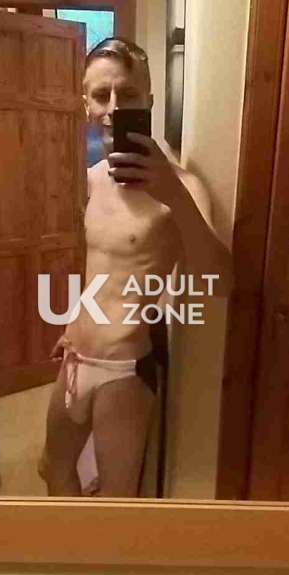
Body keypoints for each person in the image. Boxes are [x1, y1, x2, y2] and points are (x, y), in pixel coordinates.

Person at [39, 37, 233, 497]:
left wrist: (174, 197)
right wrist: (72, 323)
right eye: (100, 95)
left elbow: (220, 283)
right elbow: (101, 268)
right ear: (85, 104)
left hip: (124, 371)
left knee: (117, 500)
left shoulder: (182, 185)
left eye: (126, 94)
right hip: (74, 358)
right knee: (50, 467)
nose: (112, 108)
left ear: (148, 100)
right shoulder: (91, 179)